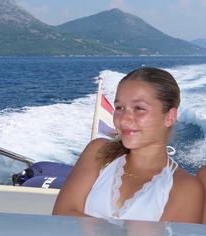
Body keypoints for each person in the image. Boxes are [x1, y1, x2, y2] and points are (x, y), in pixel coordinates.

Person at [52, 67, 204, 224]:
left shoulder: (185, 188)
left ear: (169, 117)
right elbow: (63, 215)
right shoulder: (99, 153)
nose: (124, 119)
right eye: (119, 107)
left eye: (139, 108)